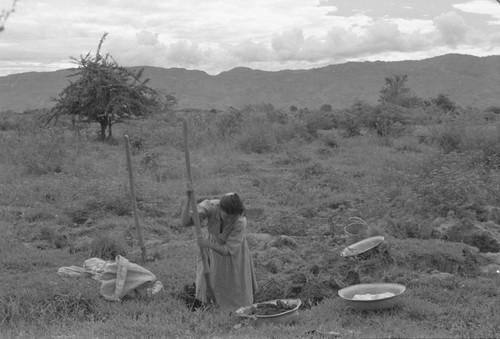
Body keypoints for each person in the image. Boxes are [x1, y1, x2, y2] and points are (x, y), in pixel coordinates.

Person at [180, 184, 258, 311]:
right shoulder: (211, 207)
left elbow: (228, 250)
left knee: (232, 286)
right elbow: (185, 222)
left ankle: (234, 309)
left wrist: (207, 244)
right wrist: (189, 198)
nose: (228, 221)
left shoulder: (240, 221)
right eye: (226, 217)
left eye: (232, 219)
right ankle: (210, 306)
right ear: (220, 209)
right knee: (210, 281)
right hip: (211, 251)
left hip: (233, 254)